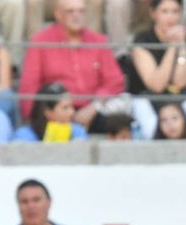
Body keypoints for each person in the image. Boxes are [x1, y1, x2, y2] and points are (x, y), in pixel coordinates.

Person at [19, 0, 128, 134]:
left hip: (92, 109)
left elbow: (115, 81)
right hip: (55, 114)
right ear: (58, 15)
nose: (77, 16)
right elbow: (29, 87)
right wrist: (46, 115)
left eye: (81, 11)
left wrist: (94, 107)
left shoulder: (98, 41)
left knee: (123, 115)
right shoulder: (40, 42)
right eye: (70, 11)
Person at [129, 0, 186, 141]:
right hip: (150, 100)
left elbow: (180, 82)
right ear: (153, 13)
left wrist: (181, 46)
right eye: (165, 11)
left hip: (179, 100)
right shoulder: (142, 40)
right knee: (141, 106)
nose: (170, 17)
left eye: (175, 11)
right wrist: (172, 48)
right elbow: (156, 85)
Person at [12, 82, 88, 141]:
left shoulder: (77, 131)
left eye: (71, 106)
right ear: (48, 112)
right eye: (65, 108)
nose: (72, 112)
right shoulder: (24, 135)